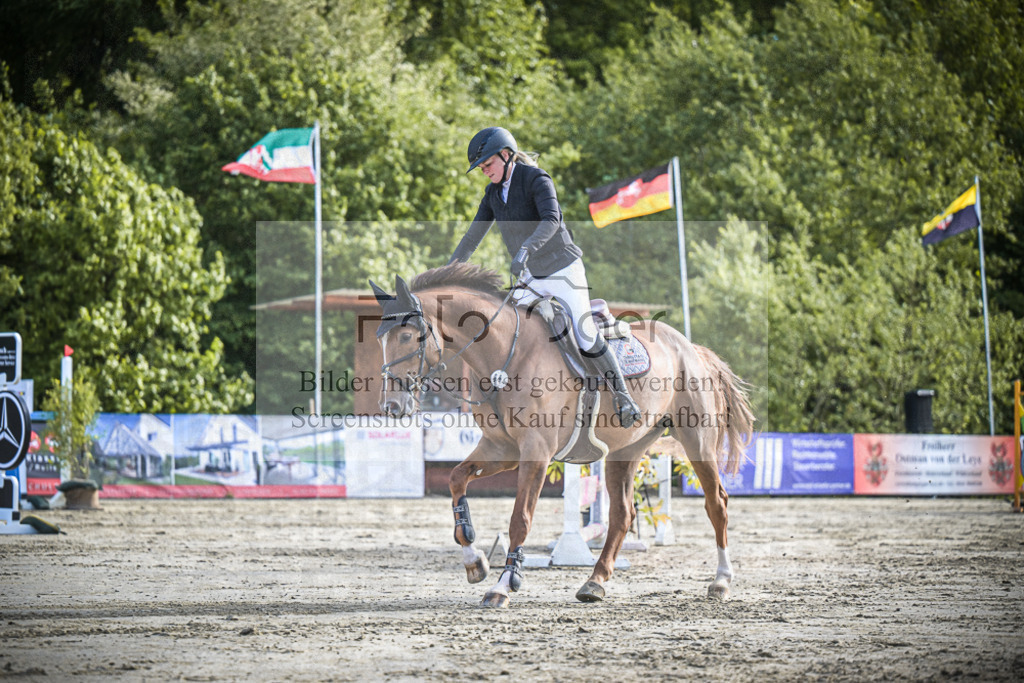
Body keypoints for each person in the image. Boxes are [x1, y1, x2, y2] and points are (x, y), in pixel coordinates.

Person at [449, 126, 641, 427]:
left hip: (563, 269)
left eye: (487, 164)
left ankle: (623, 396)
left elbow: (552, 219)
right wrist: (450, 270)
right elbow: (473, 236)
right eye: (481, 168)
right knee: (508, 330)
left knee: (585, 334)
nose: (485, 171)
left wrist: (525, 249)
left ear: (506, 154)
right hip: (531, 275)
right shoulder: (493, 193)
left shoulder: (536, 179)